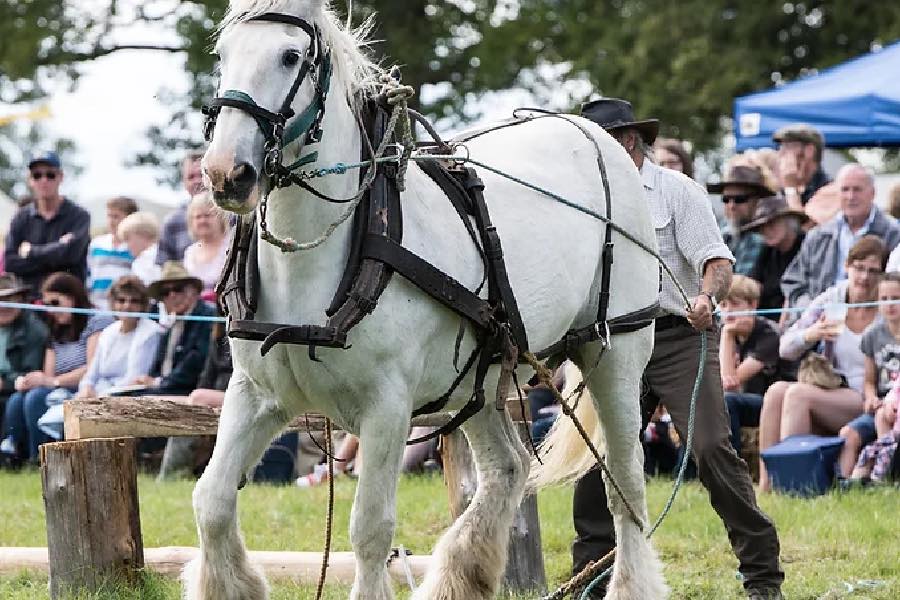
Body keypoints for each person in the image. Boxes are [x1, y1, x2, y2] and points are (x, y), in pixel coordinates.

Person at [578, 98, 783, 600]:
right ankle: (594, 575)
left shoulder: (678, 192)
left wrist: (705, 297)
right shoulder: (584, 196)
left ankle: (762, 573)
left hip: (677, 336)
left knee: (710, 445)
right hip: (615, 339)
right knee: (595, 458)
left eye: (597, 145)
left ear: (627, 142)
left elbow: (718, 262)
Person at [761, 236, 885, 491]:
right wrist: (812, 333)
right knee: (776, 392)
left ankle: (793, 484)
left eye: (873, 271)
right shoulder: (833, 299)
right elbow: (784, 348)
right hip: (832, 386)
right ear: (847, 266)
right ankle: (766, 485)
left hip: (867, 396)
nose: (865, 277)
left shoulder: (887, 307)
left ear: (883, 275)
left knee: (797, 394)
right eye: (859, 268)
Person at [1, 273, 112, 462]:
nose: (51, 310)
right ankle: (19, 455)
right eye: (47, 305)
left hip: (86, 387)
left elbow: (92, 368)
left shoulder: (96, 322)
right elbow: (49, 372)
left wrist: (51, 381)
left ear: (72, 298)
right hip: (58, 387)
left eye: (55, 303)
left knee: (35, 398)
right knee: (18, 399)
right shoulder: (55, 327)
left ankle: (43, 458)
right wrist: (35, 380)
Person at [781, 164, 900, 312]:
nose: (850, 196)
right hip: (819, 323)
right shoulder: (818, 235)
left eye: (857, 189)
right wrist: (810, 309)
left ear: (873, 193)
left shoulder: (894, 234)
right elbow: (793, 281)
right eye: (845, 189)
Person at [3, 151, 91, 298]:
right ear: (30, 180)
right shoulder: (20, 217)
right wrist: (59, 250)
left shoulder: (79, 216)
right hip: (29, 303)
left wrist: (30, 253)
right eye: (37, 175)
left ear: (61, 177)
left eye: (50, 175)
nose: (44, 180)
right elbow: (10, 263)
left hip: (67, 305)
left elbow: (72, 256)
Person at [842, 272, 900, 483]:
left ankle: (880, 478)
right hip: (881, 405)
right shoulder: (873, 335)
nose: (890, 304)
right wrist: (871, 397)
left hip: (896, 405)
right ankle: (845, 485)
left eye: (895, 298)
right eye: (884, 299)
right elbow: (869, 380)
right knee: (848, 434)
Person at [719, 276, 781, 456]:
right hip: (739, 401)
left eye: (735, 304)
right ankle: (686, 472)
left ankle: (732, 465)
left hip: (768, 403)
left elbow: (730, 382)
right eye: (723, 305)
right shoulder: (723, 332)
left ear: (752, 305)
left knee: (726, 401)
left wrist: (727, 334)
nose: (728, 312)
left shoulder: (769, 335)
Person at [133, 262, 214, 395]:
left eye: (178, 288)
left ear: (193, 290)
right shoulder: (172, 323)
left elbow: (195, 364)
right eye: (165, 292)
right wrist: (148, 380)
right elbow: (158, 365)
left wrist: (158, 383)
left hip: (191, 391)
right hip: (167, 388)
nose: (172, 296)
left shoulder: (207, 317)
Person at [76, 276, 162, 399]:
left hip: (124, 397)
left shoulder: (150, 333)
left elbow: (134, 378)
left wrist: (100, 395)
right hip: (98, 394)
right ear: (113, 304)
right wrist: (86, 388)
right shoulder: (108, 332)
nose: (127, 306)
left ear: (143, 305)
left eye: (134, 301)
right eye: (121, 300)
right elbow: (91, 374)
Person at [744, 196, 809, 324]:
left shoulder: (807, 245)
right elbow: (751, 285)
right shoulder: (767, 251)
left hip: (797, 321)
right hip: (763, 323)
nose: (766, 230)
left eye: (772, 223)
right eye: (762, 227)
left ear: (789, 220)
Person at [0, 274, 49, 442]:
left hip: (16, 390)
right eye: (1, 300)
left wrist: (5, 383)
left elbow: (30, 372)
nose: (4, 307)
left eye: (9, 300)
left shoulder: (35, 330)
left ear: (20, 300)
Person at [708, 161, 775, 275]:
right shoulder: (721, 231)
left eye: (740, 199)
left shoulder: (761, 236)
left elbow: (739, 281)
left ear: (757, 201)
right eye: (726, 199)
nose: (731, 205)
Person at [86, 196, 138, 309]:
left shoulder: (134, 248)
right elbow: (89, 276)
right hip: (96, 308)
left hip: (123, 309)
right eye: (109, 216)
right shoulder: (96, 244)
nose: (111, 221)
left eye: (116, 217)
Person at [156, 152, 205, 265]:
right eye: (191, 177)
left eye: (202, 175)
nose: (197, 181)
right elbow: (165, 266)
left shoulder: (233, 217)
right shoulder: (172, 222)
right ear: (184, 182)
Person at [182, 191, 230, 302]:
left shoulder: (232, 245)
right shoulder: (189, 252)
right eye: (198, 217)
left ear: (221, 217)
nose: (203, 221)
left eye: (208, 215)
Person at [773, 123, 830, 209]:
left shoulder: (829, 191)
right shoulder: (784, 189)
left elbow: (798, 222)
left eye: (787, 147)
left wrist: (790, 188)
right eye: (780, 148)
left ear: (809, 151)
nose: (781, 154)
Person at [118, 211, 162, 286]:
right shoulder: (165, 254)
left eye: (128, 239)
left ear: (143, 234)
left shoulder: (141, 263)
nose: (127, 246)